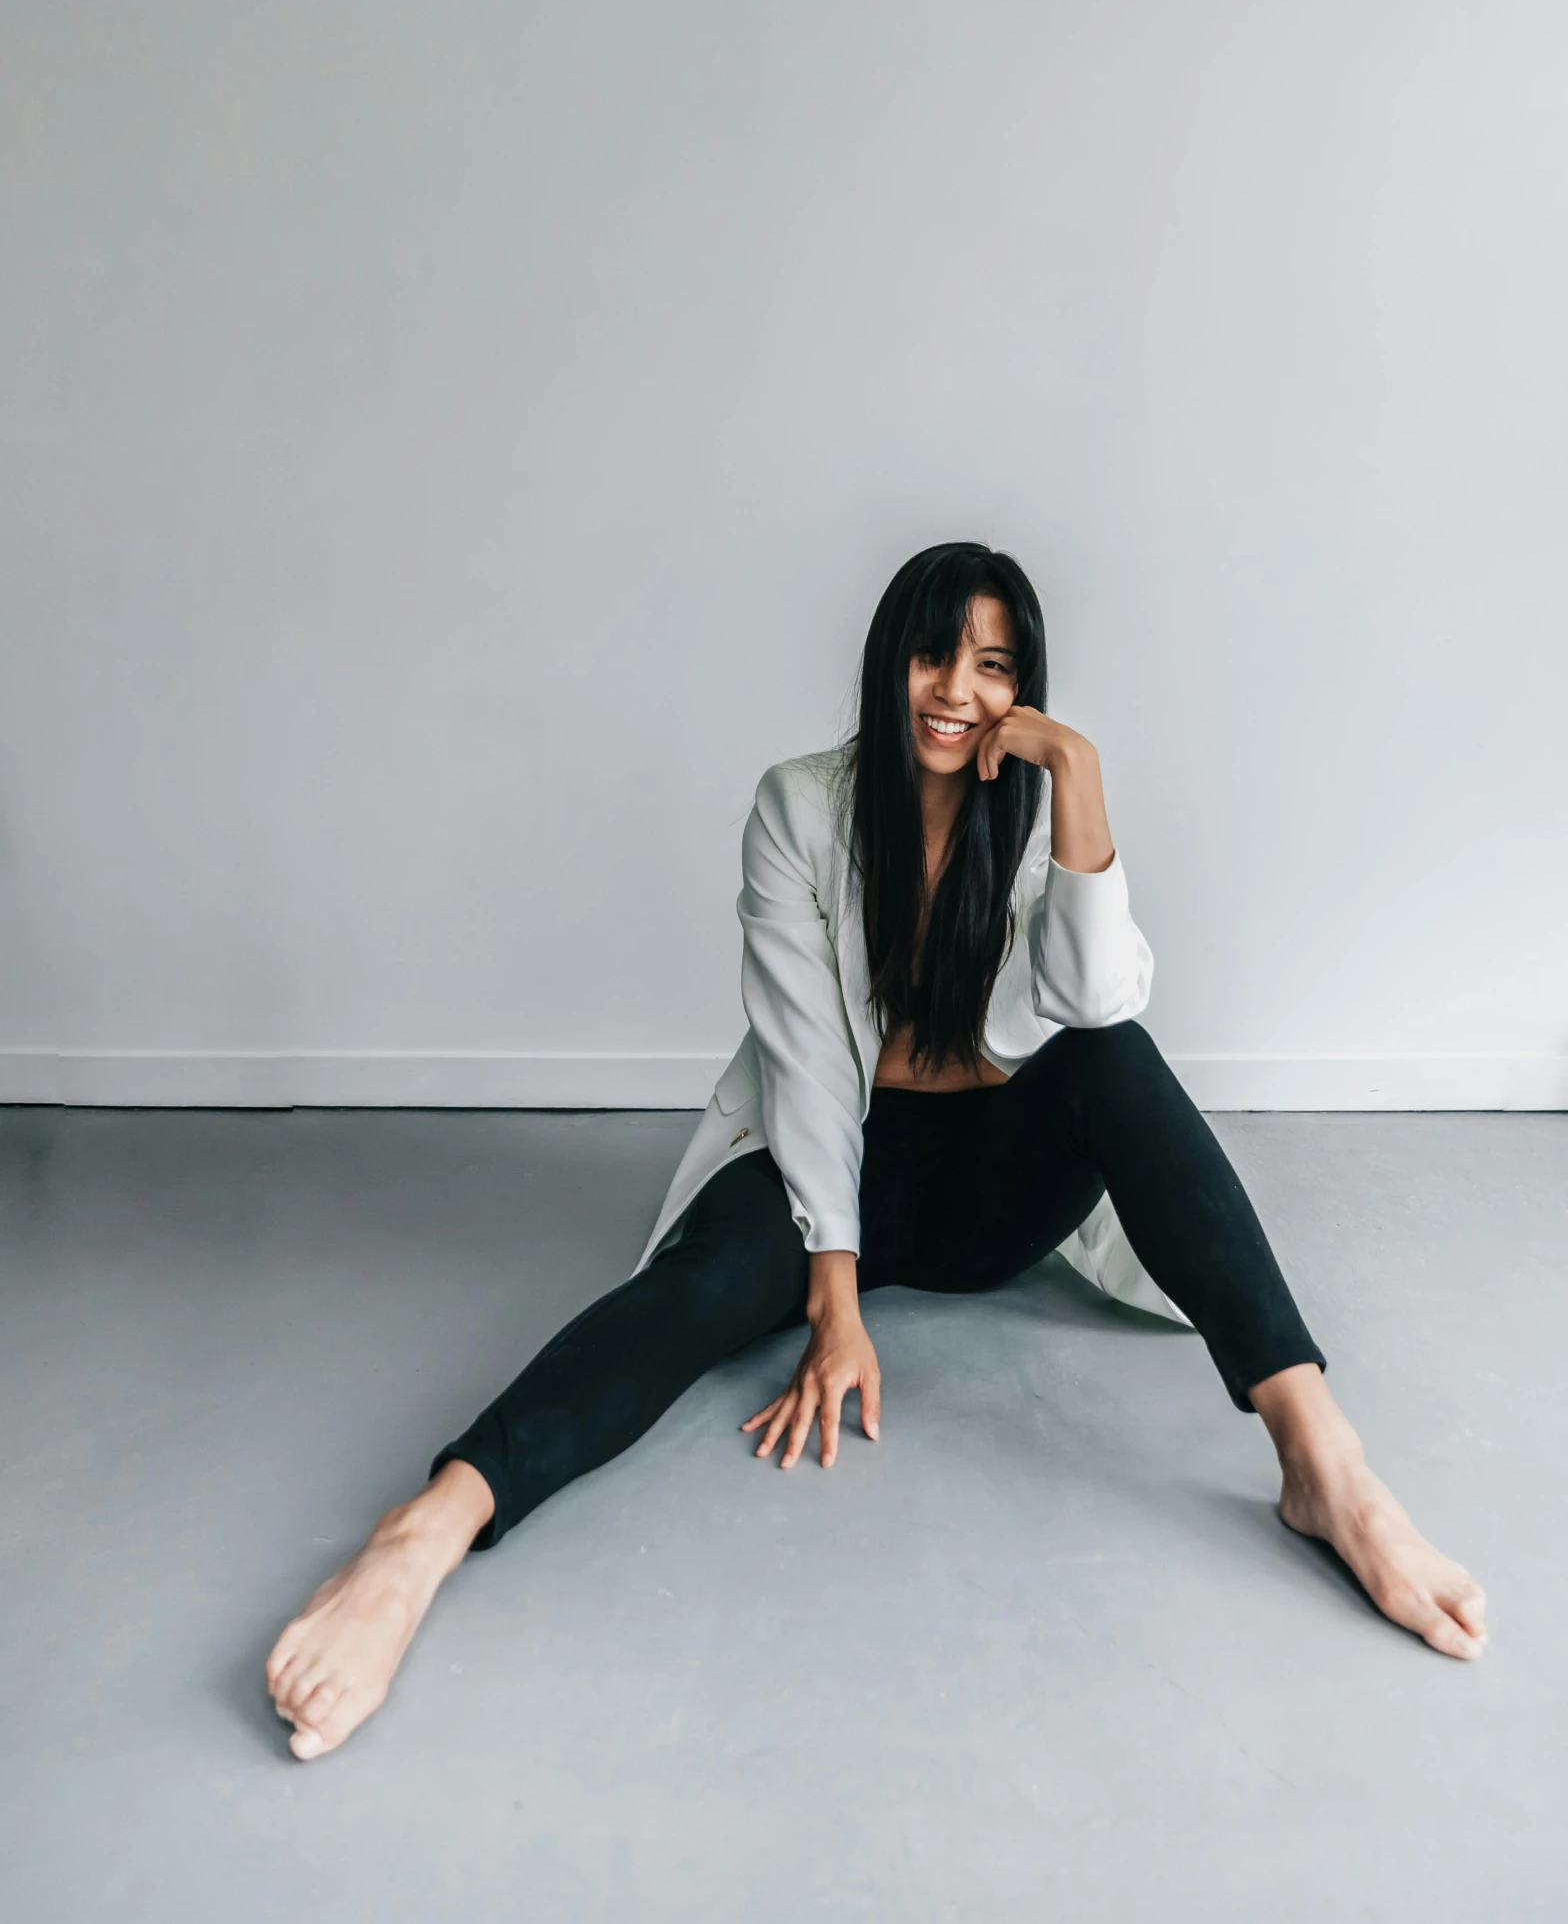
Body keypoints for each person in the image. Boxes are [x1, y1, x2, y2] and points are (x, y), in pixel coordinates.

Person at [267, 542, 1487, 1759]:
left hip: (988, 1191)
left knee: (1112, 1059)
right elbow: (803, 1062)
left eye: (992, 665)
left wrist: (1078, 771)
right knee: (687, 1296)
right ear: (885, 660)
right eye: (930, 653)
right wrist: (832, 1303)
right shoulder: (798, 806)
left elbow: (1096, 998)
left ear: (1026, 686)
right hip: (829, 1169)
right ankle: (422, 1531)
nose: (956, 690)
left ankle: (1321, 1462)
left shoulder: (1033, 810)